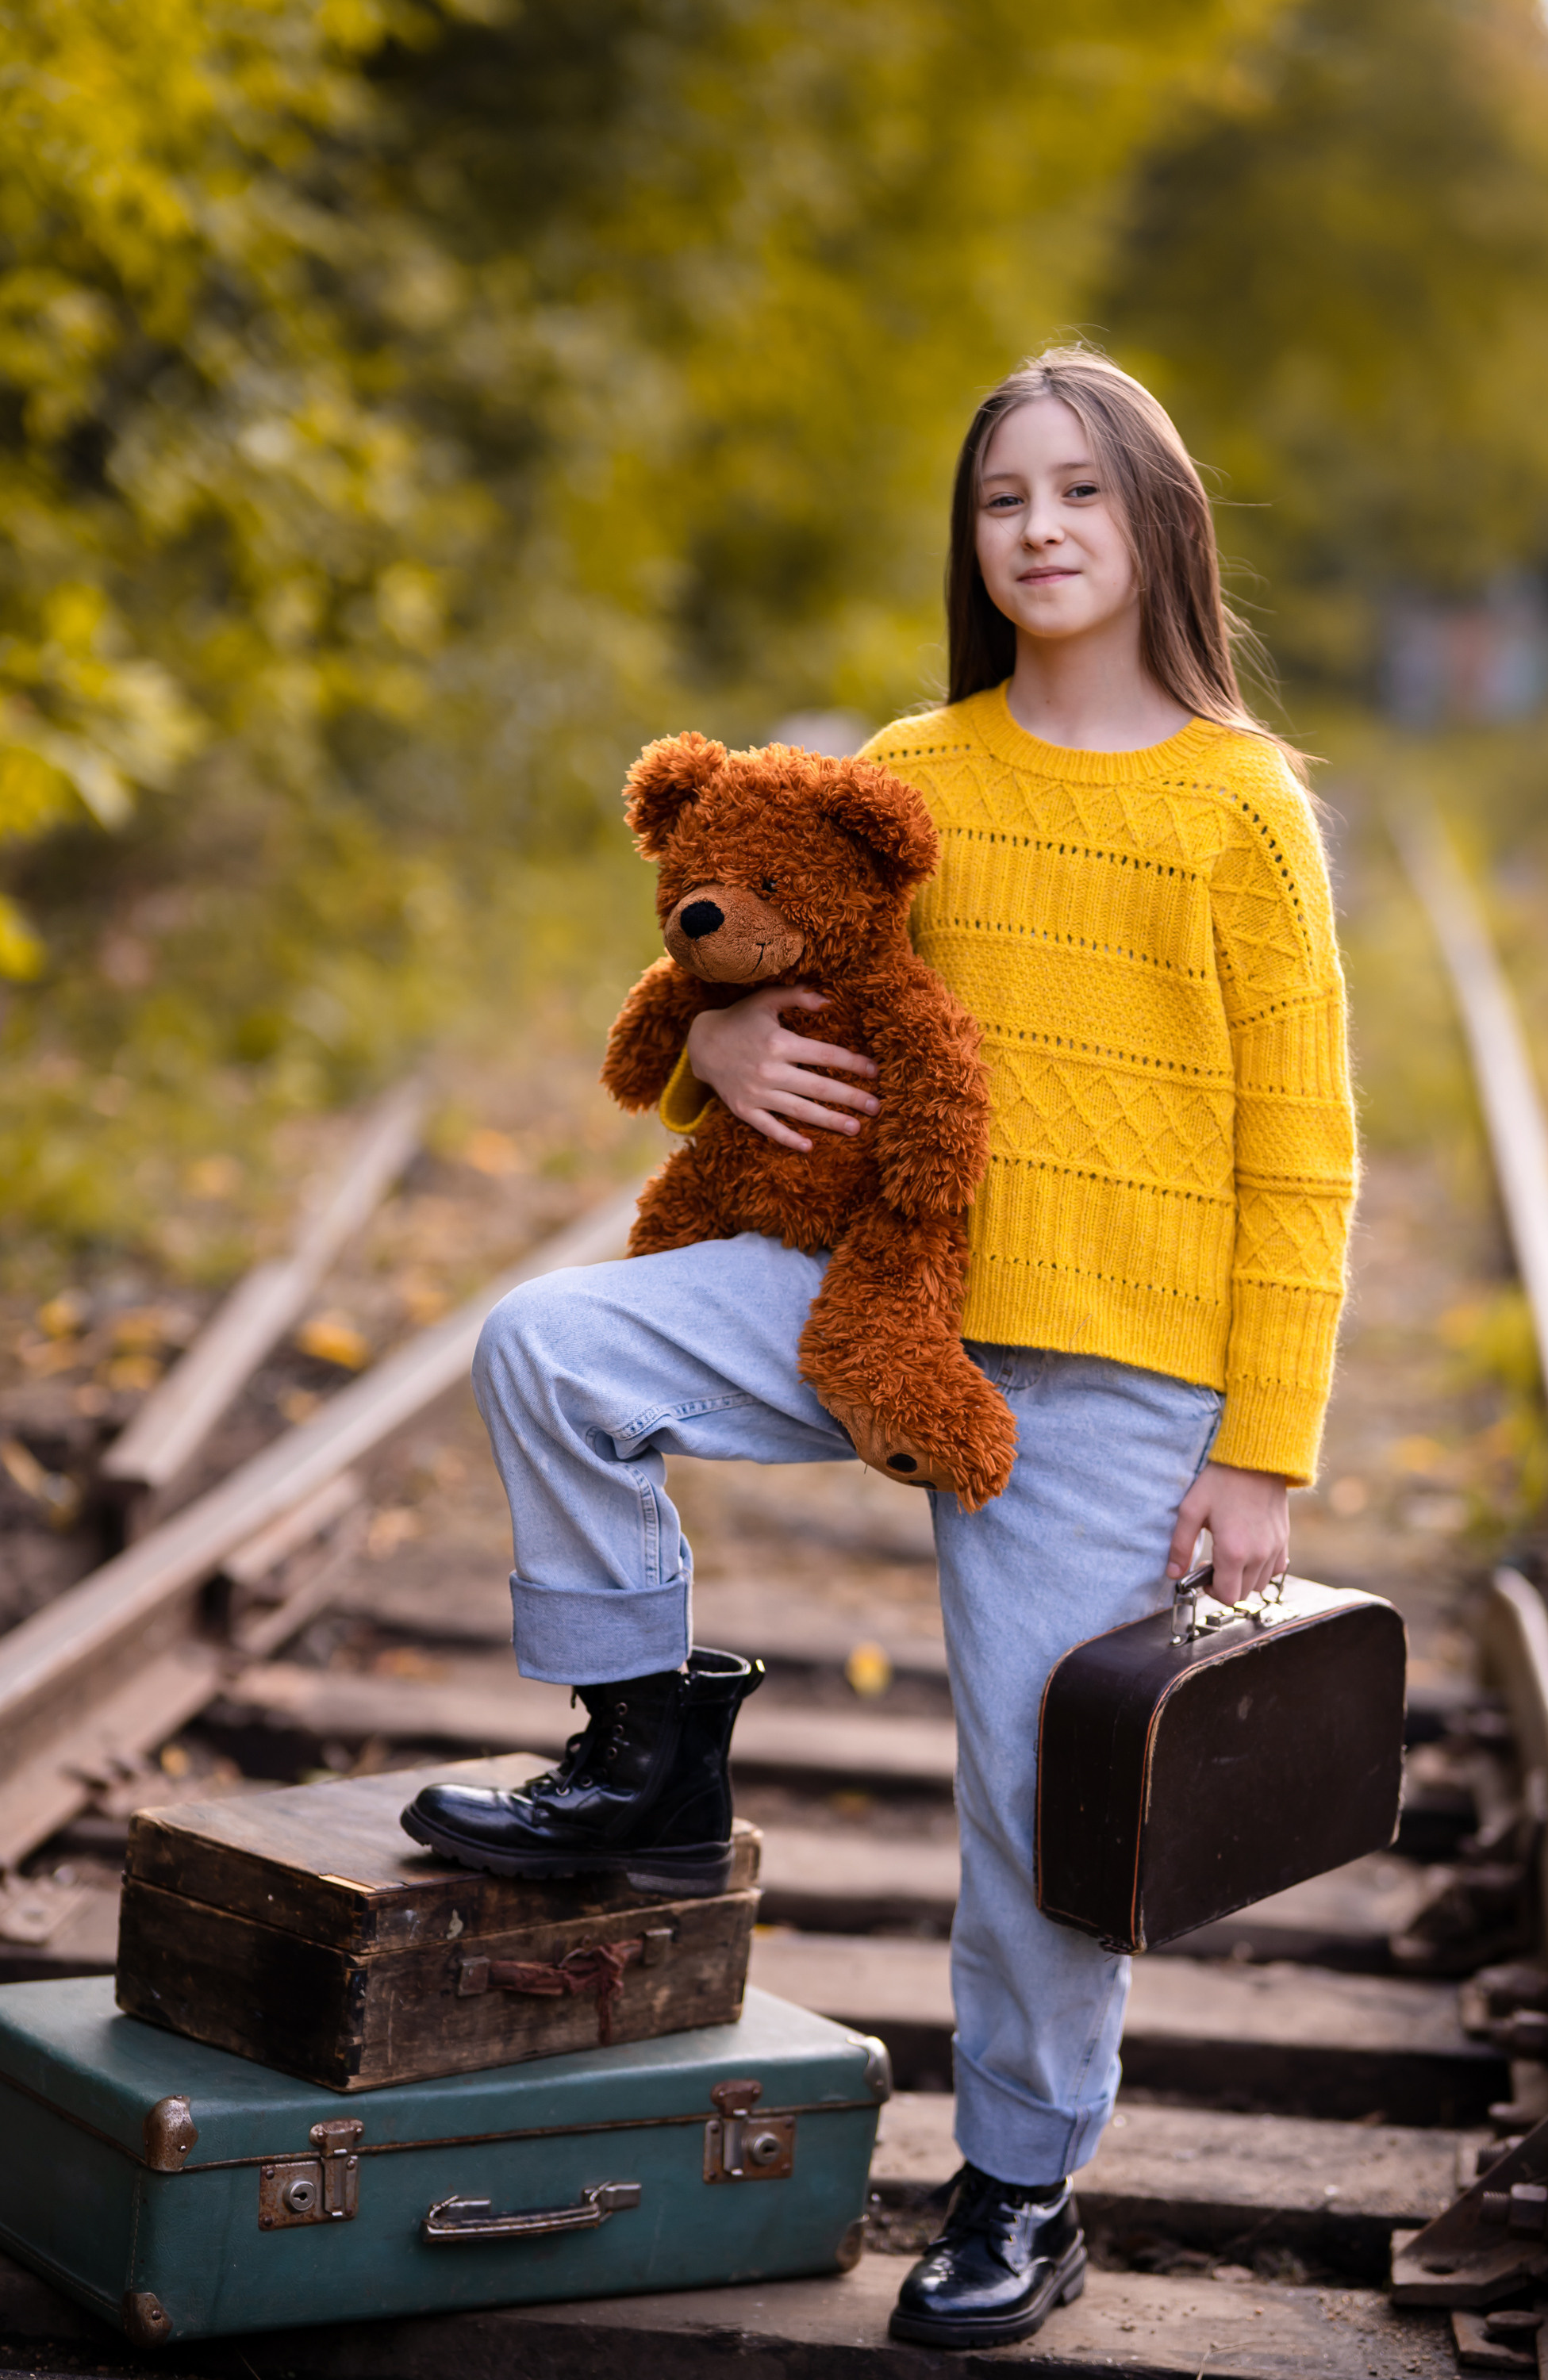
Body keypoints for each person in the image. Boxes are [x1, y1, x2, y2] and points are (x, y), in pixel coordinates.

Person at [401, 345, 1356, 2350]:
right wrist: (721, 1049)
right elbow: (755, 941)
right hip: (863, 1304)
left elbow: (1304, 1159)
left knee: (1033, 1812)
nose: (1040, 528)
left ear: (1158, 523)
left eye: (1080, 492)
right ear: (970, 539)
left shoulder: (1242, 809)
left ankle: (1021, 2185)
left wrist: (1260, 1447)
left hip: (1108, 1380)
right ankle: (639, 1755)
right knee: (551, 1342)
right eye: (1005, 497)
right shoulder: (915, 768)